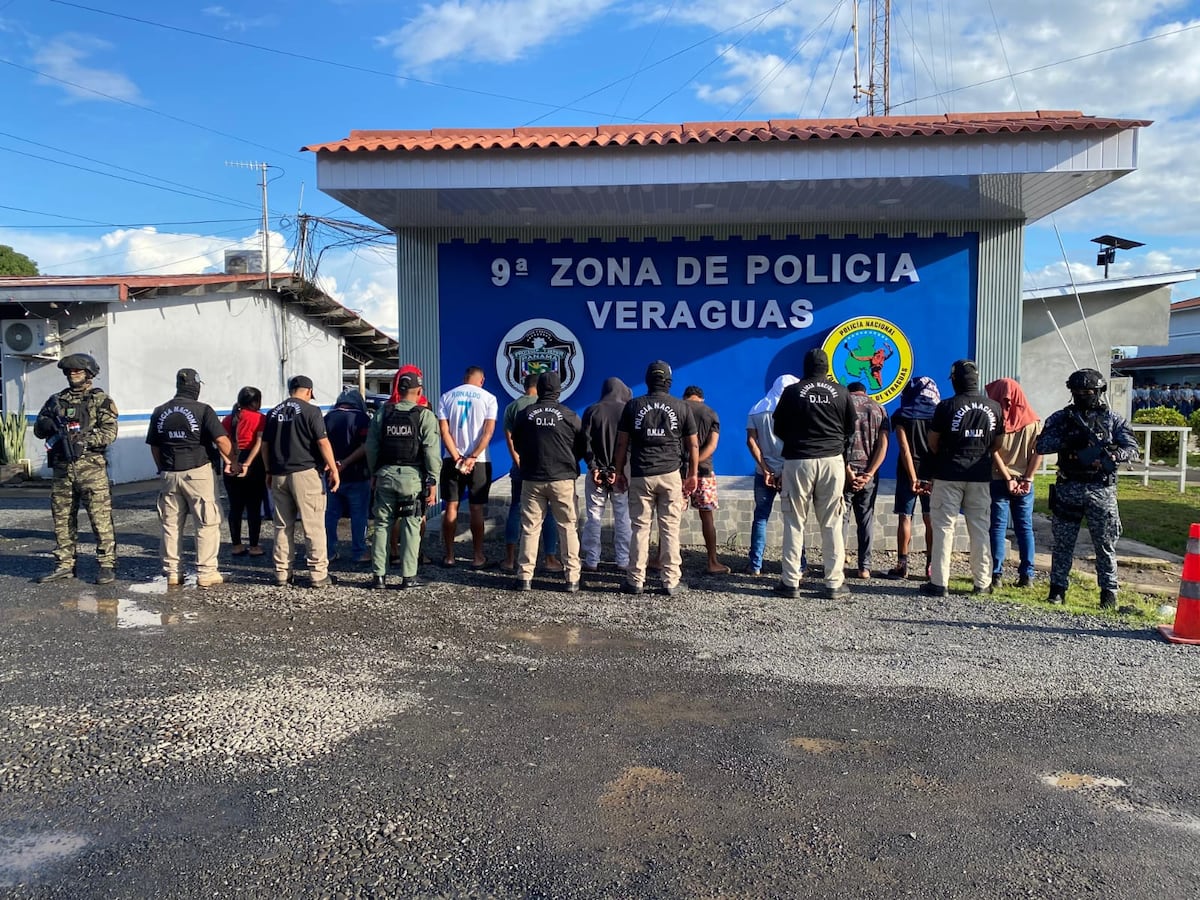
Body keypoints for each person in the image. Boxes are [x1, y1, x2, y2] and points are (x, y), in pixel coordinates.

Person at [1035, 368, 1138, 609]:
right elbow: (1041, 445)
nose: (1084, 395)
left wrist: (1113, 454)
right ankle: (1057, 590)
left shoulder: (1113, 420)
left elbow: (1132, 448)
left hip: (1101, 489)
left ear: (1099, 392)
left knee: (1105, 543)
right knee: (1062, 543)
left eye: (1089, 391)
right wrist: (1070, 440)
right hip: (1069, 486)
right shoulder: (1061, 418)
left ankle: (1108, 593)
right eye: (1079, 391)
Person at [771, 348, 856, 600]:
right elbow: (850, 429)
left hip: (798, 460)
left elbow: (780, 428)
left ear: (805, 367)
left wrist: (800, 442)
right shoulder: (841, 392)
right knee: (831, 521)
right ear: (826, 368)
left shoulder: (792, 392)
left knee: (794, 521)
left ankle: (790, 582)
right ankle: (833, 583)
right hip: (832, 460)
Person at [145, 368, 238, 588]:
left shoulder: (160, 411)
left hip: (169, 473)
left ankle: (173, 573)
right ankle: (206, 573)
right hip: (198, 471)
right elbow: (222, 441)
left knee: (170, 524)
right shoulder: (203, 410)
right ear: (196, 387)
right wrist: (232, 461)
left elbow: (155, 446)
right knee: (206, 522)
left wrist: (162, 469)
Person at [918, 360, 1003, 598]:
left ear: (955, 380)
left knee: (944, 528)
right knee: (980, 529)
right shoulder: (994, 407)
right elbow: (998, 443)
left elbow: (932, 442)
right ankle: (983, 583)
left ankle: (939, 583)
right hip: (980, 475)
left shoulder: (946, 406)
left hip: (948, 474)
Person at [613, 360, 698, 597]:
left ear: (648, 380)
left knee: (640, 528)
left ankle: (635, 580)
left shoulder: (633, 406)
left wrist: (619, 472)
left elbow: (622, 443)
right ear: (668, 382)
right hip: (670, 474)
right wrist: (692, 474)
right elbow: (693, 444)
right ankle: (670, 582)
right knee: (670, 528)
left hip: (641, 474)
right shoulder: (681, 407)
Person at [33, 353, 119, 585]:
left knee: (99, 518)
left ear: (89, 374)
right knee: (62, 518)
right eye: (70, 372)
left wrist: (85, 440)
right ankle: (64, 564)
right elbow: (39, 429)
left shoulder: (100, 400)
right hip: (62, 468)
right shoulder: (56, 400)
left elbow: (109, 432)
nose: (74, 375)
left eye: (78, 372)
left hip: (91, 468)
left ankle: (106, 564)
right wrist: (48, 425)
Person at [510, 372, 587, 592]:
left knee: (530, 528)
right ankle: (572, 578)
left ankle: (524, 577)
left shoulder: (525, 414)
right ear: (558, 391)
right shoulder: (569, 414)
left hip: (532, 478)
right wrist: (572, 460)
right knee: (568, 528)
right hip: (562, 478)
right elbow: (582, 444)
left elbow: (516, 441)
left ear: (539, 389)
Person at [262, 375, 340, 588]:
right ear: (308, 391)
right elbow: (322, 442)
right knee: (313, 525)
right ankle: (317, 574)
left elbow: (265, 445)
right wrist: (333, 468)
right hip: (305, 474)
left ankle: (282, 573)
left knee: (282, 525)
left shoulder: (273, 413)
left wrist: (268, 470)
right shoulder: (311, 411)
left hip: (279, 474)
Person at [366, 367, 440, 589]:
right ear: (419, 391)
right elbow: (431, 453)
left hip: (385, 475)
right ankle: (408, 576)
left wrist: (374, 473)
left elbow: (371, 447)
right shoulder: (424, 415)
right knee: (411, 525)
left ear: (398, 388)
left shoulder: (383, 413)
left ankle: (379, 576)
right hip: (412, 480)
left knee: (381, 525)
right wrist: (433, 481)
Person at [436, 366, 498, 568]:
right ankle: (478, 556)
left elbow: (444, 432)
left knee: (451, 506)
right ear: (482, 380)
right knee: (476, 508)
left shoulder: (446, 397)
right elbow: (488, 433)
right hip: (478, 461)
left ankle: (449, 555)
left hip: (451, 459)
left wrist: (457, 458)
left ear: (464, 378)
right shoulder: (488, 398)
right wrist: (472, 457)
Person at [500, 373, 561, 575]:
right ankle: (550, 558)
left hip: (522, 467)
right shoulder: (551, 406)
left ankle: (509, 559)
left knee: (517, 509)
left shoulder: (513, 407)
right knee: (549, 512)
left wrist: (517, 460)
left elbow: (509, 438)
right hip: (547, 469)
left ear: (525, 386)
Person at [985, 378, 1043, 589]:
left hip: (1000, 480)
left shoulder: (995, 422)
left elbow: (993, 452)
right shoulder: (1034, 421)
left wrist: (1008, 478)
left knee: (998, 527)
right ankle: (1027, 575)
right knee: (1025, 528)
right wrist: (1027, 478)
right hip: (1025, 482)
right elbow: (1039, 453)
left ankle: (996, 575)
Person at [745, 374, 798, 577]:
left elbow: (751, 441)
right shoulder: (796, 411)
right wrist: (784, 471)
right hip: (790, 472)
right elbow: (797, 443)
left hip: (763, 473)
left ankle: (755, 565)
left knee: (761, 517)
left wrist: (766, 468)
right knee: (794, 518)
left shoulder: (758, 408)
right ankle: (798, 565)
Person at [887, 376, 940, 580]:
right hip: (931, 472)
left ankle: (902, 565)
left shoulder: (902, 414)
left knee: (905, 517)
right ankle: (931, 566)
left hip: (907, 471)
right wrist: (932, 477)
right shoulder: (938, 414)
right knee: (930, 518)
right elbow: (938, 448)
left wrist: (912, 477)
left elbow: (904, 448)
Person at [580, 377, 633, 572]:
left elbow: (585, 443)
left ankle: (592, 560)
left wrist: (594, 467)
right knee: (623, 517)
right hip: (621, 475)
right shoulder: (627, 411)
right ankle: (623, 560)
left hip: (596, 474)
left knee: (594, 516)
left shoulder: (592, 410)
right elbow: (630, 445)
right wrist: (617, 470)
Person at [681, 385, 731, 576]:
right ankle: (712, 561)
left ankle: (664, 559)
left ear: (686, 396)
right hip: (704, 472)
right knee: (707, 516)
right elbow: (712, 445)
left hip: (679, 471)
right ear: (701, 398)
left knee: (671, 516)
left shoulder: (678, 408)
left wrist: (687, 464)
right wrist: (697, 461)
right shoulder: (711, 413)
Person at [844, 382, 890, 580]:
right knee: (866, 519)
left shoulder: (842, 405)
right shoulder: (880, 408)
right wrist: (869, 473)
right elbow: (883, 444)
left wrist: (848, 471)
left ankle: (837, 565)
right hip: (868, 474)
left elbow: (837, 441)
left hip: (844, 472)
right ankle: (864, 567)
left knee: (841, 518)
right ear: (865, 391)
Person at [387, 364, 431, 566]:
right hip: (417, 471)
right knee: (417, 514)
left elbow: (374, 445)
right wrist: (433, 477)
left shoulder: (387, 408)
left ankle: (394, 552)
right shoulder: (423, 408)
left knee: (392, 516)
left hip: (387, 471)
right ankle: (416, 554)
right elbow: (430, 444)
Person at [323, 387, 372, 565]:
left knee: (331, 515)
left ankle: (329, 551)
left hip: (331, 476)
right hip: (358, 475)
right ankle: (359, 552)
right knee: (359, 515)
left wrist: (333, 464)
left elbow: (321, 444)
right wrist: (345, 462)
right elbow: (366, 446)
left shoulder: (327, 418)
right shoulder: (362, 419)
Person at [220, 386, 267, 558]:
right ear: (256, 402)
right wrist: (247, 463)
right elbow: (259, 443)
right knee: (254, 507)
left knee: (235, 507)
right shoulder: (260, 418)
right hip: (253, 463)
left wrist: (228, 462)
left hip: (231, 461)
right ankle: (254, 546)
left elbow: (220, 443)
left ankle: (237, 546)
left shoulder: (228, 419)